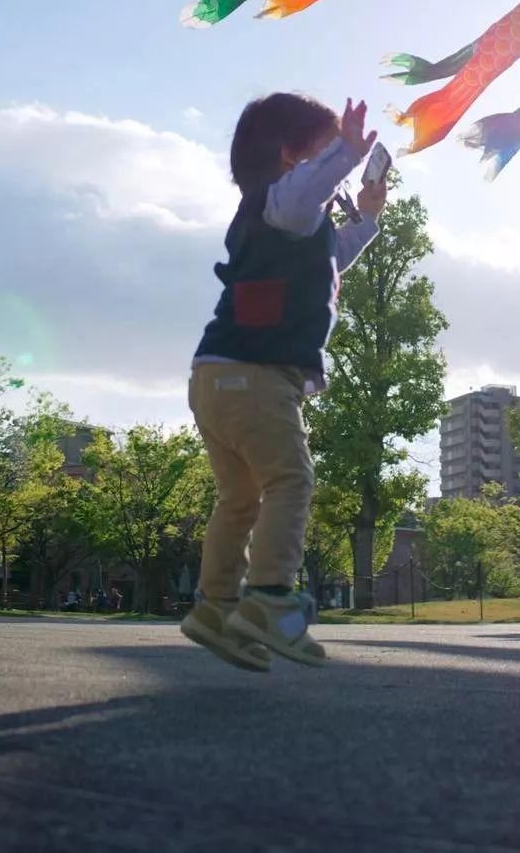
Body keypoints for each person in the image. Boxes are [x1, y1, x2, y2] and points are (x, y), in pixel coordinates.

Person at [180, 94, 385, 672]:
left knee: (239, 497)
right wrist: (347, 149)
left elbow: (333, 254)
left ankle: (215, 607)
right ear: (290, 155)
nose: (330, 171)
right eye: (319, 154)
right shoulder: (284, 201)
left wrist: (367, 217)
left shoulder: (289, 220)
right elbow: (306, 192)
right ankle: (270, 598)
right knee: (290, 481)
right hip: (258, 376)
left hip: (214, 375)